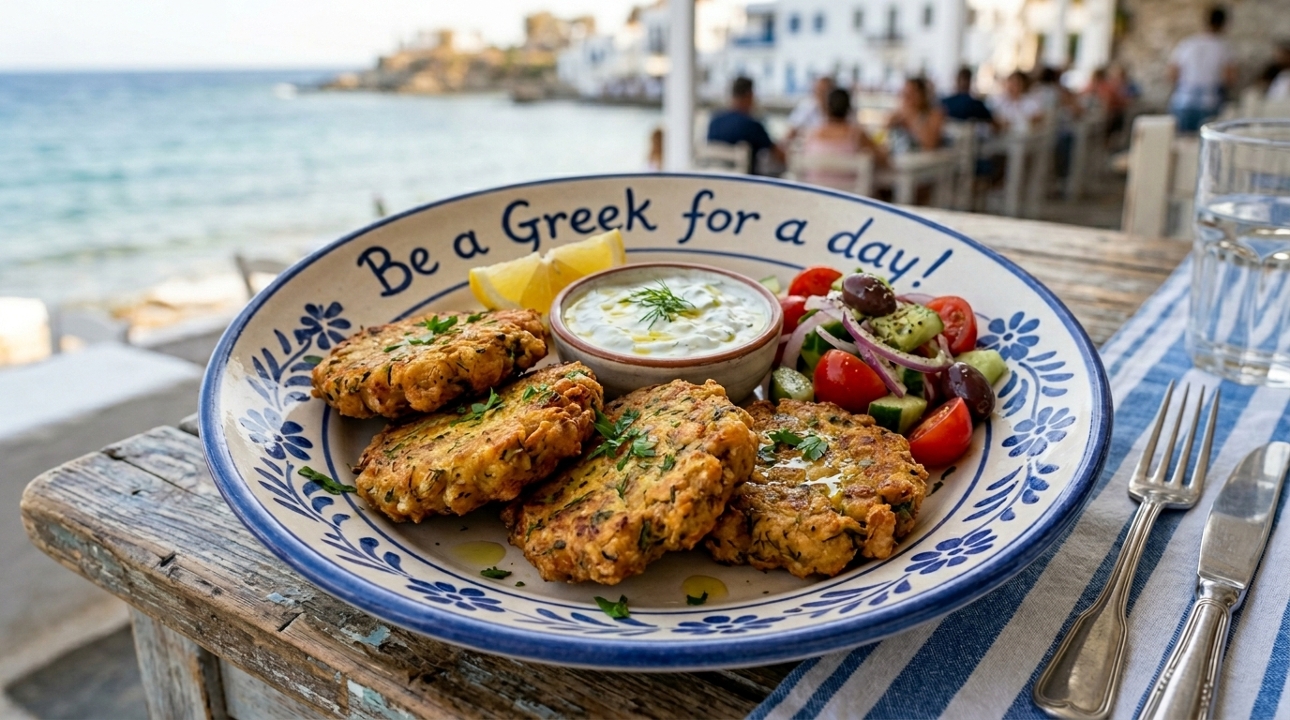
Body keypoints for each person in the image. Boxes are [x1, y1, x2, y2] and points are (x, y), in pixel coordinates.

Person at [800, 88, 886, 191]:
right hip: (849, 198)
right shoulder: (857, 134)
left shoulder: (812, 134)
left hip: (816, 195)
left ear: (826, 107)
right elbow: (884, 159)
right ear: (849, 108)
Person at [1168, 6, 1236, 132]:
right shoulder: (1224, 48)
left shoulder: (1187, 43)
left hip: (1183, 100)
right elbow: (1229, 79)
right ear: (1224, 24)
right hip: (1209, 103)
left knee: (1180, 142)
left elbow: (1172, 74)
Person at [707, 76, 784, 174]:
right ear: (750, 95)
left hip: (717, 180)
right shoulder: (752, 125)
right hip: (746, 184)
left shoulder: (714, 121)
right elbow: (779, 156)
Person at [886, 76, 946, 154]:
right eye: (904, 93)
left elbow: (930, 144)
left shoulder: (935, 113)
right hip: (900, 159)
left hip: (922, 162)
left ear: (922, 95)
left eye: (911, 93)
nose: (906, 98)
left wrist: (912, 117)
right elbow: (885, 136)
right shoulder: (900, 114)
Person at [786, 76, 835, 142]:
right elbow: (792, 131)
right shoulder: (806, 106)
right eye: (819, 90)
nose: (822, 94)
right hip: (811, 147)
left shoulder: (840, 109)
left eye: (825, 91)